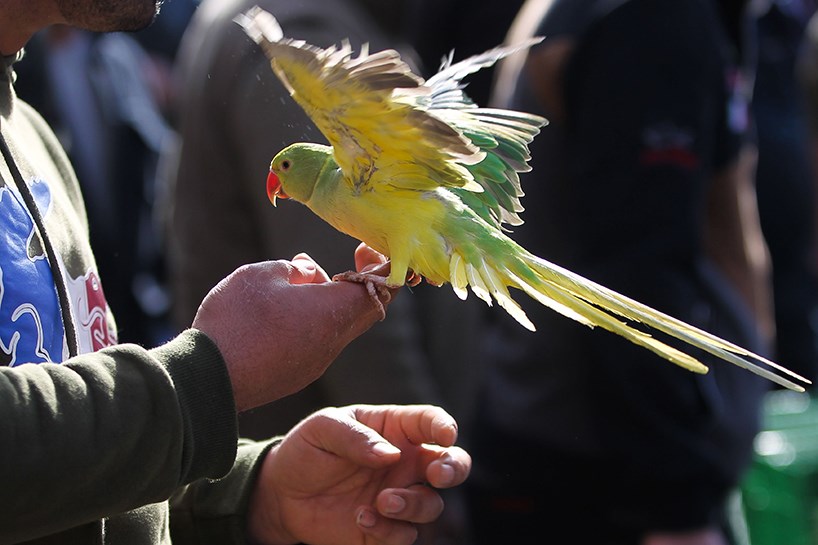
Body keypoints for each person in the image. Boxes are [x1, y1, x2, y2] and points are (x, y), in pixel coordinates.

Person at [0, 1, 472, 544]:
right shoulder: (296, 25)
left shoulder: (32, 133)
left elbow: (75, 486)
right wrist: (203, 379)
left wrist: (250, 495)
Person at [465, 0, 773, 544]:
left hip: (567, 444)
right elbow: (635, 270)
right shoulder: (647, 21)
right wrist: (677, 508)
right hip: (601, 476)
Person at [165, 0, 484, 443]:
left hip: (277, 440)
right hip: (333, 448)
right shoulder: (305, 32)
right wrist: (420, 452)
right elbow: (351, 300)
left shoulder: (231, 14)